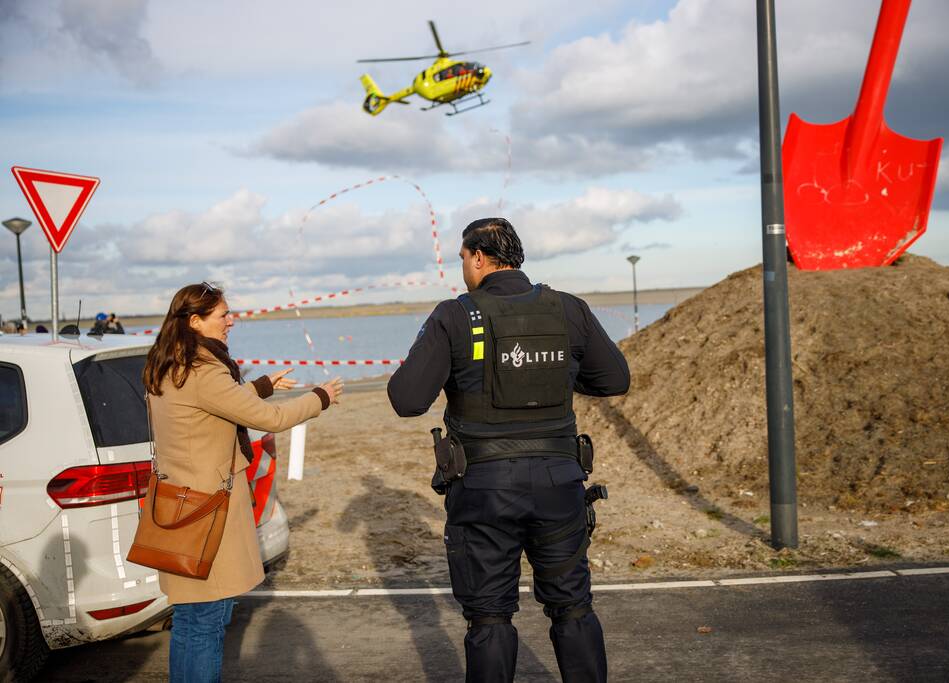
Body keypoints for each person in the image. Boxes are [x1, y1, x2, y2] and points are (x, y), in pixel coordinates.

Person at [387, 218, 630, 682]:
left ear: (478, 257)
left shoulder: (455, 314)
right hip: (559, 486)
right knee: (573, 606)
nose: (462, 267)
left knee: (490, 617)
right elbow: (614, 379)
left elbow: (406, 399)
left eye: (461, 258)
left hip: (484, 491)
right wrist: (560, 373)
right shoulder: (568, 309)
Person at [142, 282, 342, 683]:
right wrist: (320, 397)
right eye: (223, 315)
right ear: (195, 322)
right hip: (206, 512)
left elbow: (213, 405)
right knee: (205, 622)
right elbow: (269, 419)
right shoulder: (203, 369)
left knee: (189, 620)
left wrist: (262, 386)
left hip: (177, 504)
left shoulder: (169, 362)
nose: (231, 320)